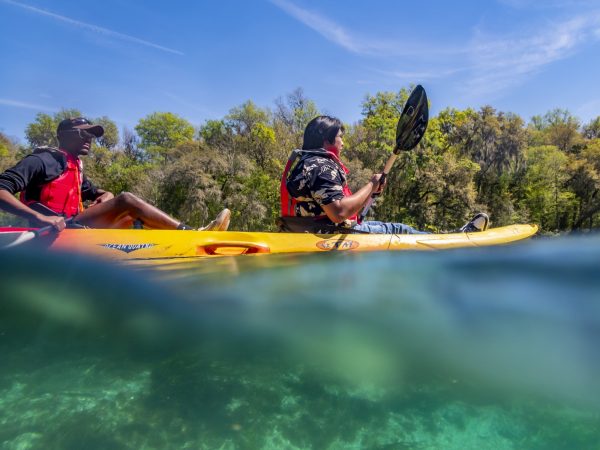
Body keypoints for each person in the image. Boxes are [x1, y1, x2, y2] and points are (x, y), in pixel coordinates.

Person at [0, 117, 230, 232]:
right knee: (127, 201)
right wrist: (41, 218)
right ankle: (191, 234)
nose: (89, 140)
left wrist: (107, 194)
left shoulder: (74, 167)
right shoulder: (41, 160)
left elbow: (97, 192)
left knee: (128, 216)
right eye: (84, 135)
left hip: (74, 229)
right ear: (64, 135)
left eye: (91, 136)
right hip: (49, 231)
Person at [279, 115, 489, 234]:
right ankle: (453, 239)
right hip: (325, 234)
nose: (343, 142)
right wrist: (371, 184)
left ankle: (446, 235)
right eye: (340, 137)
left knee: (382, 225)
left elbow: (335, 208)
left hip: (308, 229)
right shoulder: (321, 166)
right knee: (400, 229)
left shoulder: (305, 162)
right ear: (327, 140)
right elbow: (339, 213)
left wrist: (371, 193)